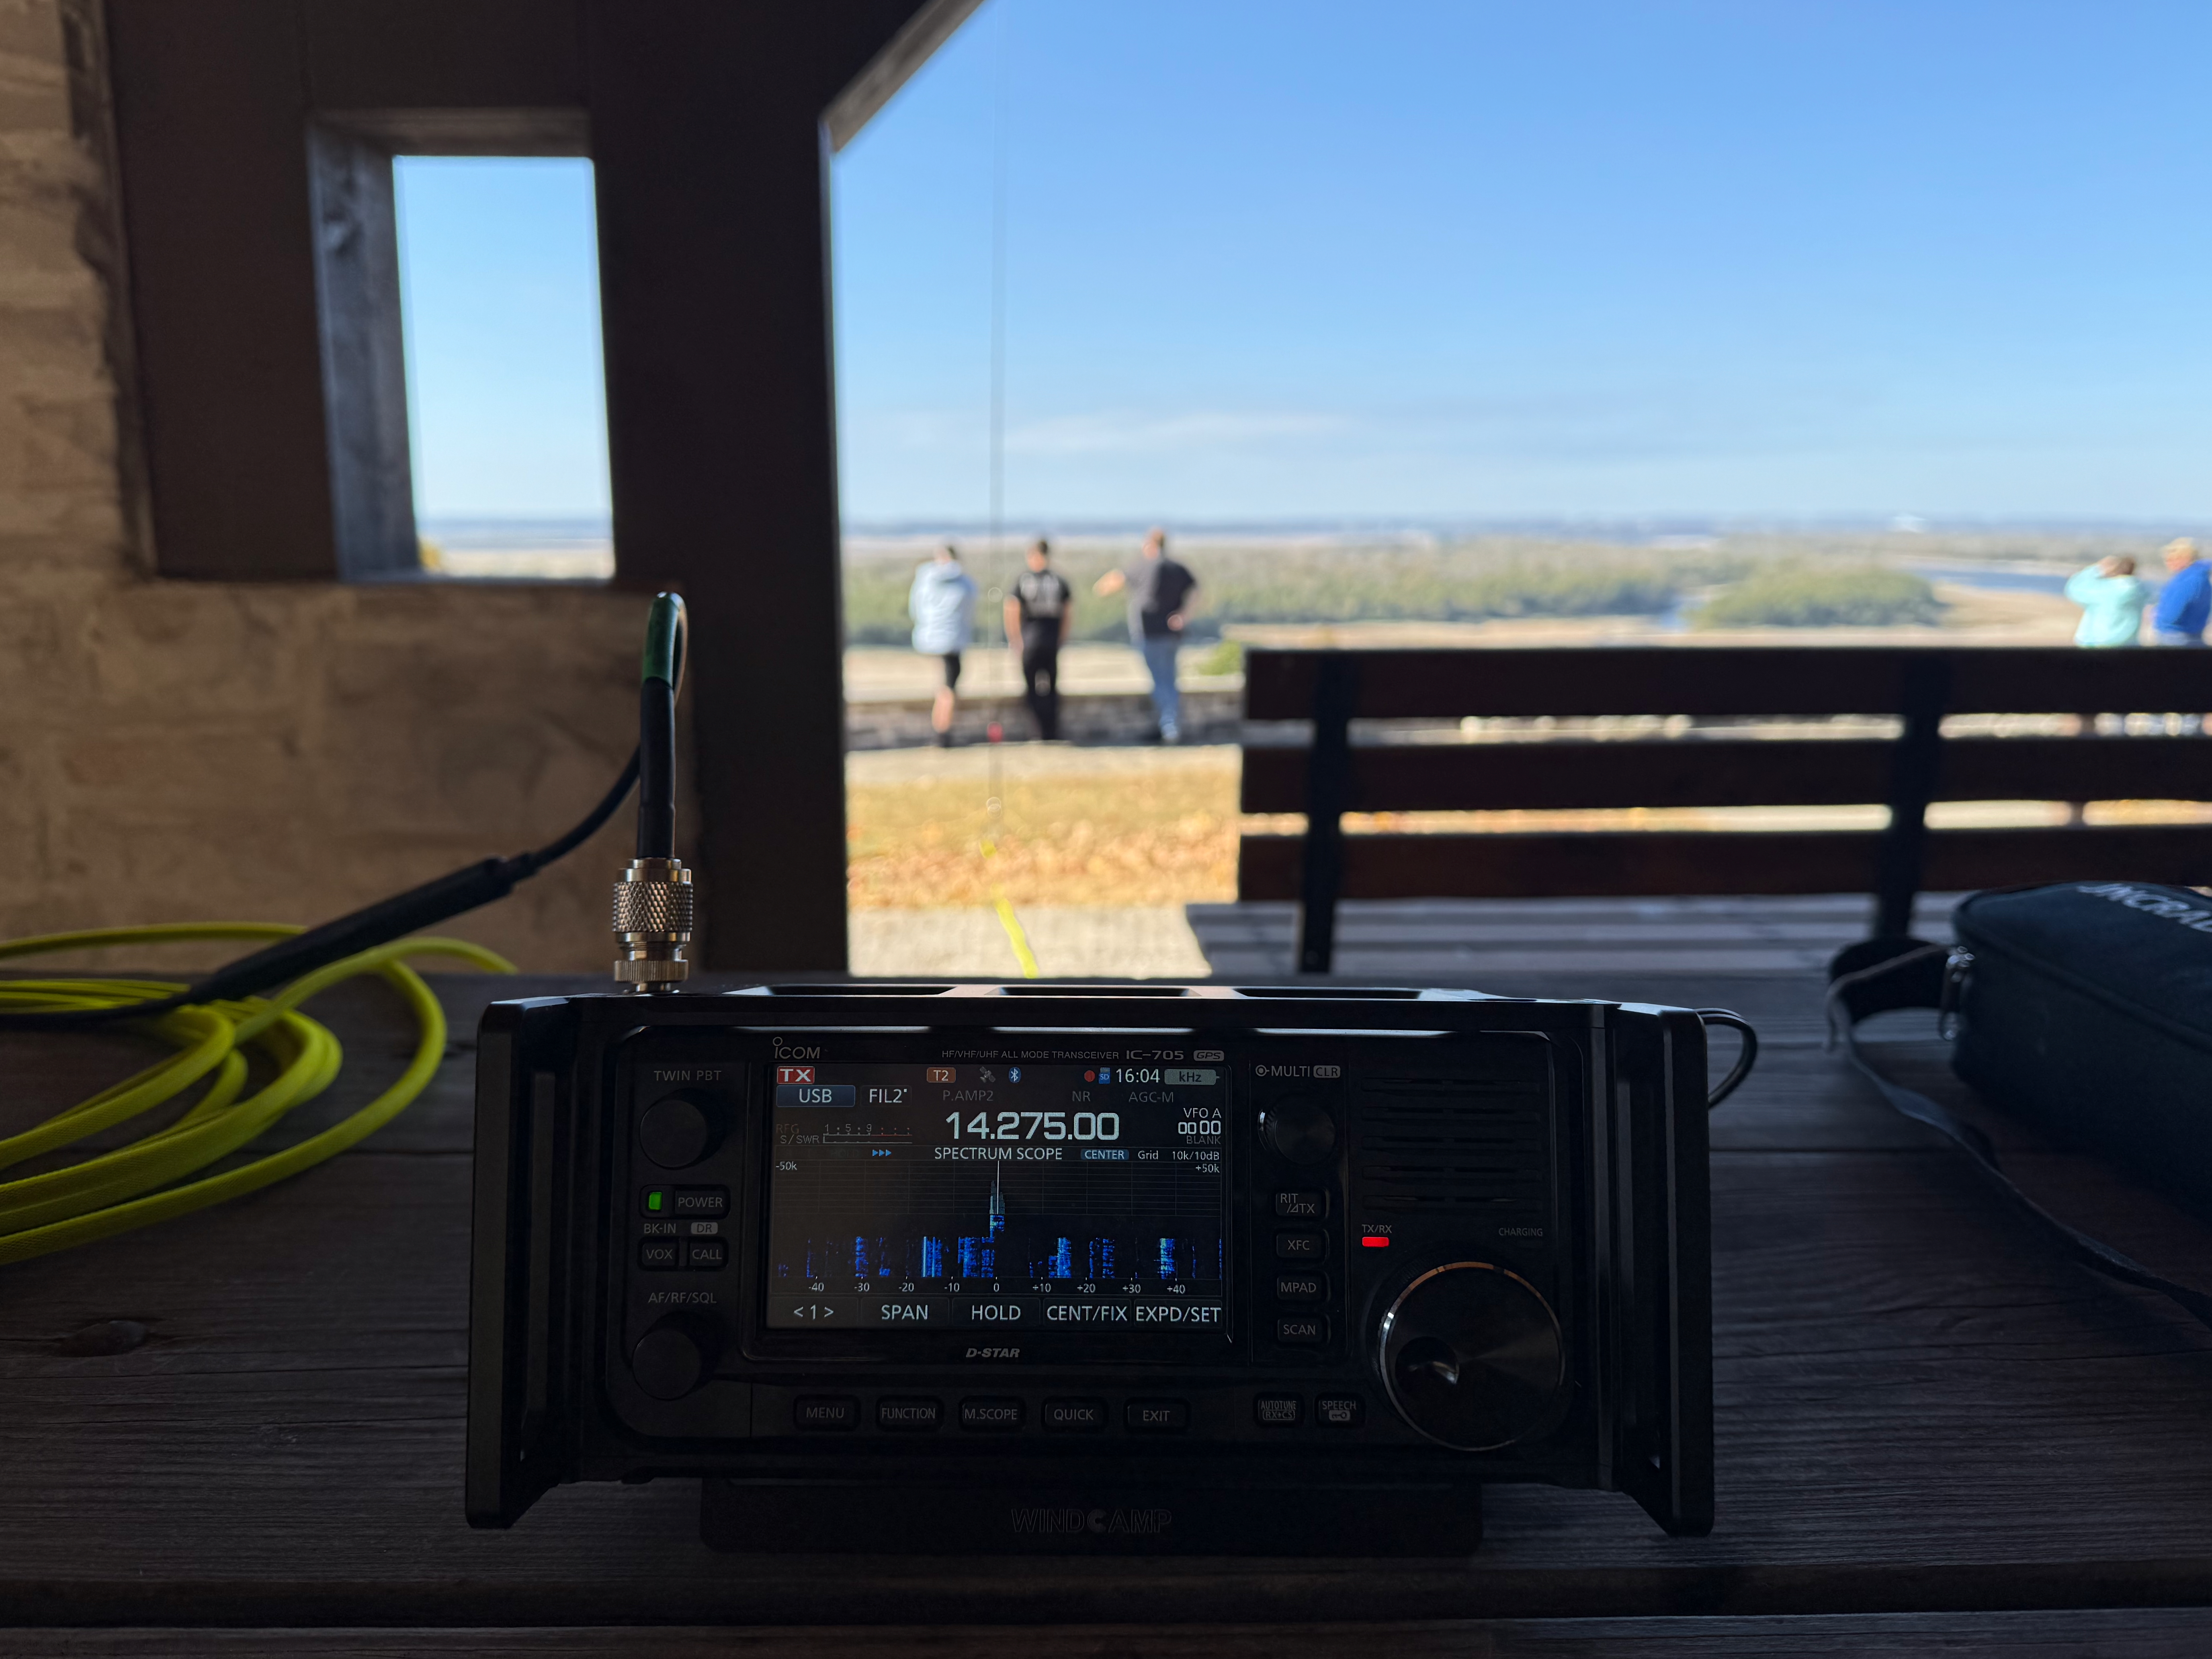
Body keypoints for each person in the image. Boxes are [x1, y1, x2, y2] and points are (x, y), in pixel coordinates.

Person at [1093, 527, 1198, 743]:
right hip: (1171, 634)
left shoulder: (1141, 566)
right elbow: (1196, 591)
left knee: (1161, 681)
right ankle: (1169, 725)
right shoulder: (1177, 568)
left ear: (1148, 545)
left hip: (1149, 633)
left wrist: (1099, 589)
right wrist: (1183, 616)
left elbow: (1115, 579)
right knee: (1169, 678)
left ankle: (1170, 727)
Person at [908, 543, 978, 747]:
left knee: (944, 686)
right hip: (952, 640)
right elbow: (969, 611)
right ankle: (942, 732)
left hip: (928, 638)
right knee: (949, 687)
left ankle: (941, 729)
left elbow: (916, 607)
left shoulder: (925, 579)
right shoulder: (965, 584)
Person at [1004, 537, 1074, 741]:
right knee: (1051, 688)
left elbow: (1012, 610)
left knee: (1033, 689)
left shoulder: (1023, 580)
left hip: (1030, 641)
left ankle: (1039, 731)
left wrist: (1015, 638)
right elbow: (1068, 613)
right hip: (1051, 641)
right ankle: (1050, 731)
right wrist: (1062, 638)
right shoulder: (1059, 581)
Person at [2064, 555, 2150, 648]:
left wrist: (2097, 569)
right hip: (2130, 644)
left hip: (2099, 643)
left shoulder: (2107, 591)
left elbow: (2075, 589)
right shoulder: (2139, 589)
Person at [2150, 537, 2210, 647]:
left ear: (2184, 558)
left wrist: (2160, 618)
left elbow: (2173, 613)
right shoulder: (2201, 577)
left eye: (2172, 559)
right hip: (2194, 634)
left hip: (2176, 637)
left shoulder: (2188, 580)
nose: (2168, 563)